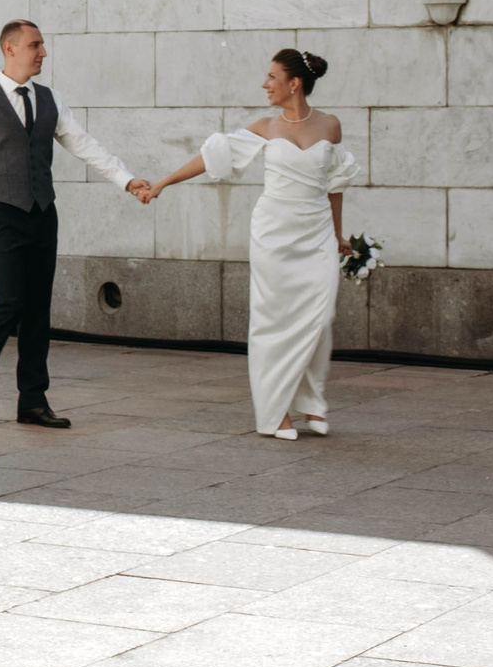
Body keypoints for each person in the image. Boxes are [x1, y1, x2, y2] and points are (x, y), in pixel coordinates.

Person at [139, 49, 355, 440]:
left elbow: (335, 186)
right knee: (273, 322)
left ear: (295, 83)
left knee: (320, 320)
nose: (264, 84)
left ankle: (311, 402)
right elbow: (210, 157)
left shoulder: (330, 126)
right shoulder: (265, 127)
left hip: (318, 233)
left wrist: (339, 234)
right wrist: (162, 184)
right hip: (274, 234)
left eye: (272, 76)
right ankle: (276, 414)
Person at [0, 19, 150, 429]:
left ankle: (33, 402)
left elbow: (83, 143)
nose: (42, 53)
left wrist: (126, 179)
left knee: (38, 308)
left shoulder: (49, 99)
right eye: (35, 45)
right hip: (0, 215)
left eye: (42, 45)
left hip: (42, 214)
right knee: (10, 301)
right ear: (9, 49)